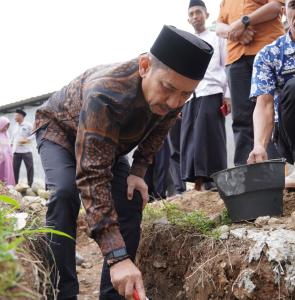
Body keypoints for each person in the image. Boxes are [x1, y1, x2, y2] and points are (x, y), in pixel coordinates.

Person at [34, 25, 213, 300]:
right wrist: (117, 258)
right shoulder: (105, 93)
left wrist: (138, 171)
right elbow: (92, 176)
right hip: (61, 133)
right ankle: (62, 290)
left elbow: (157, 133)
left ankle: (114, 295)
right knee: (65, 194)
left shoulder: (173, 98)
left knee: (130, 199)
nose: (175, 101)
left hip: (108, 144)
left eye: (185, 95)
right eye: (168, 88)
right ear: (144, 66)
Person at [216, 0, 285, 166]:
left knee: (272, 110)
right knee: (240, 118)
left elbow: (276, 7)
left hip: (267, 50)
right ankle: (244, 170)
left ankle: (273, 167)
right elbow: (219, 26)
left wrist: (244, 21)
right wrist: (236, 31)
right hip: (235, 58)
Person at [248, 0, 295, 190]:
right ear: (284, 11)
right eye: (294, 5)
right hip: (291, 136)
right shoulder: (269, 55)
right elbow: (264, 104)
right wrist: (260, 145)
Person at [180, 0, 230, 191]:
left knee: (209, 137)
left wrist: (228, 95)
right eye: (191, 14)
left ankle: (218, 181)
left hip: (213, 91)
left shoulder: (217, 37)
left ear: (207, 15)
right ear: (188, 18)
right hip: (191, 96)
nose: (195, 17)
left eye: (198, 12)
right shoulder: (186, 41)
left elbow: (226, 65)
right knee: (190, 139)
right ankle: (197, 184)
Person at [11, 109, 34, 186]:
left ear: (21, 116)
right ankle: (15, 185)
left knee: (30, 168)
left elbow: (34, 134)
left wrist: (27, 139)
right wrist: (11, 146)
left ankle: (30, 185)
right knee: (15, 169)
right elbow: (13, 138)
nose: (14, 117)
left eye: (16, 115)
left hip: (26, 151)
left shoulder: (28, 125)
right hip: (16, 152)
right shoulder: (15, 126)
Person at [0, 116, 15, 186]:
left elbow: (8, 146)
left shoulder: (7, 134)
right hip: (1, 158)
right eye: (5, 126)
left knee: (7, 173)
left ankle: (8, 187)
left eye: (7, 126)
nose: (6, 128)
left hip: (7, 158)